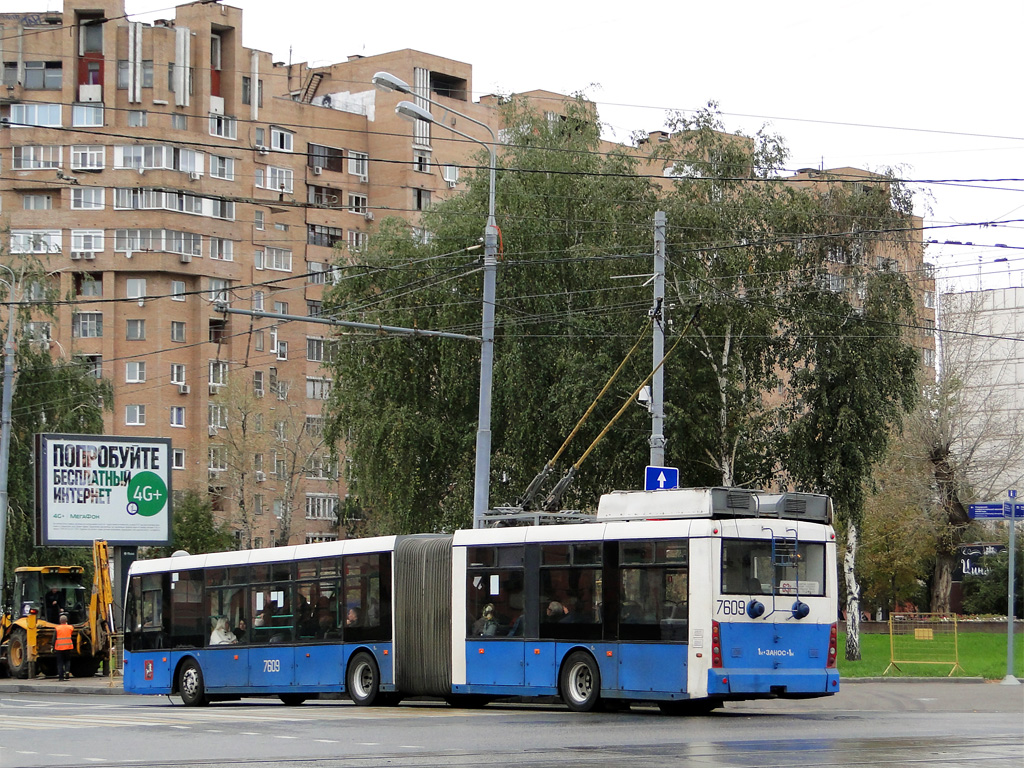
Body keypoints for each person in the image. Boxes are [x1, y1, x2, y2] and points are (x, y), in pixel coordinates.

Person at [54, 614, 74, 681]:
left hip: (59, 648)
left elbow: (54, 638)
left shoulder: (57, 628)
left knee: (60, 662)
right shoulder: (70, 627)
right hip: (68, 647)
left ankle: (61, 676)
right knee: (67, 660)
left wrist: (52, 646)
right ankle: (67, 671)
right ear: (66, 620)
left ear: (60, 621)